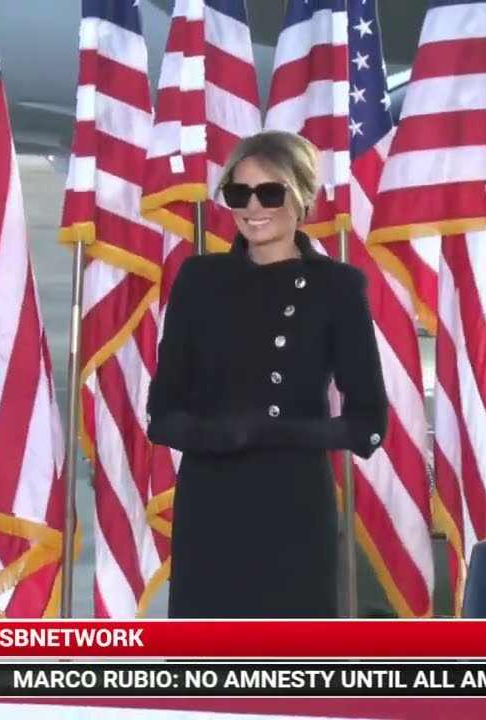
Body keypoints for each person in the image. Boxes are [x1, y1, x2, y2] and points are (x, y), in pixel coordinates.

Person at [146, 130, 389, 619]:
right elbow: (162, 414)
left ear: (302, 197)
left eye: (269, 192)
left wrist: (274, 432)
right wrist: (217, 434)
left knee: (288, 673)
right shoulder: (199, 280)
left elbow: (368, 422)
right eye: (239, 193)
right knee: (206, 671)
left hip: (293, 502)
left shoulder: (336, 288)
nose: (253, 207)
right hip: (210, 502)